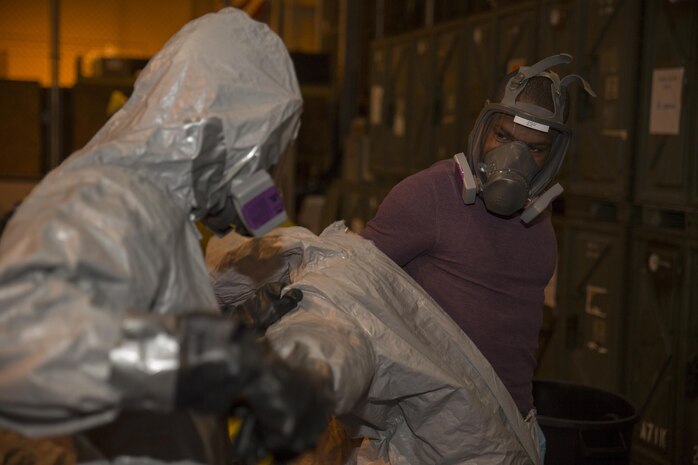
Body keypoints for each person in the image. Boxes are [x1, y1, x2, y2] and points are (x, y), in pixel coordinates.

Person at [0, 8, 332, 465]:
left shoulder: (163, 209)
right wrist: (223, 363)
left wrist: (230, 334)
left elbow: (128, 336)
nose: (262, 183)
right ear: (224, 134)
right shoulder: (111, 196)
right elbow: (23, 344)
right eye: (262, 158)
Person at [360, 53, 596, 462]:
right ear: (482, 128)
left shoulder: (539, 225)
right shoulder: (427, 196)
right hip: (427, 441)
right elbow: (353, 289)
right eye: (503, 138)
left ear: (553, 157)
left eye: (535, 149)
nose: (515, 160)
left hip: (511, 433)